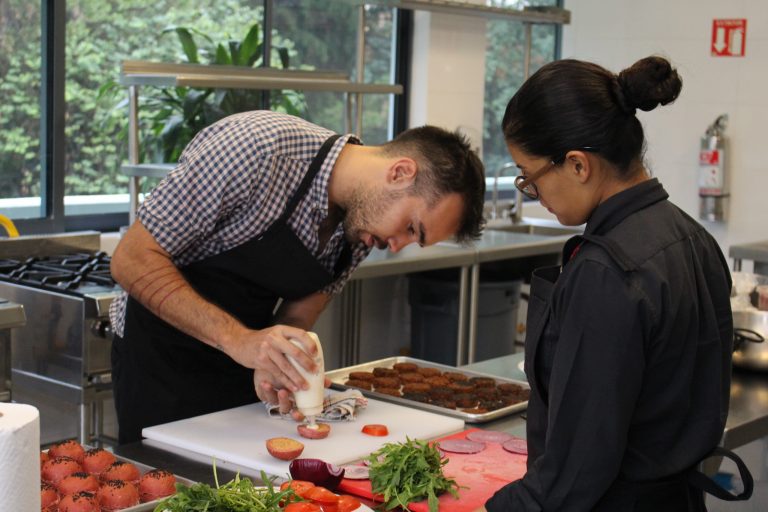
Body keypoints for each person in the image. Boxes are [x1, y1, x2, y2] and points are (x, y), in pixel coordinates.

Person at [109, 110, 486, 444]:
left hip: (239, 366)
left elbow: (296, 317)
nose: (397, 245)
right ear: (400, 173)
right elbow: (131, 259)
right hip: (159, 361)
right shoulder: (256, 149)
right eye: (410, 227)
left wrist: (284, 368)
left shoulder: (360, 230)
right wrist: (237, 339)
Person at [482, 56, 752, 511]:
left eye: (530, 178)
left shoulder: (606, 273)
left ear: (577, 165)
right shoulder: (693, 237)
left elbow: (575, 475)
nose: (533, 192)